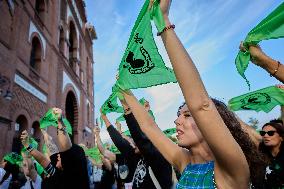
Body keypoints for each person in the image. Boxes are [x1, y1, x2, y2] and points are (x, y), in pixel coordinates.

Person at [118, 0, 267, 188]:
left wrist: (163, 22)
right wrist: (125, 92)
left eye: (187, 115)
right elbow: (149, 127)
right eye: (179, 115)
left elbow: (202, 106)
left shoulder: (232, 170)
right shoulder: (184, 163)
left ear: (213, 124)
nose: (177, 121)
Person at [20, 107, 90, 189]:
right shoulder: (57, 173)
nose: (57, 156)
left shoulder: (74, 175)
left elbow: (66, 148)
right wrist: (28, 145)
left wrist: (59, 122)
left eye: (60, 156)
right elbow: (43, 160)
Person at [118, 98, 174, 189]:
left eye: (135, 142)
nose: (133, 144)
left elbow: (141, 137)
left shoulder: (158, 156)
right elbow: (125, 141)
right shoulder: (140, 158)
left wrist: (127, 107)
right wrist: (120, 132)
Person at [259, 122, 284, 188]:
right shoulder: (259, 157)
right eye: (262, 133)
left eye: (270, 133)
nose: (265, 136)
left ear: (281, 137)